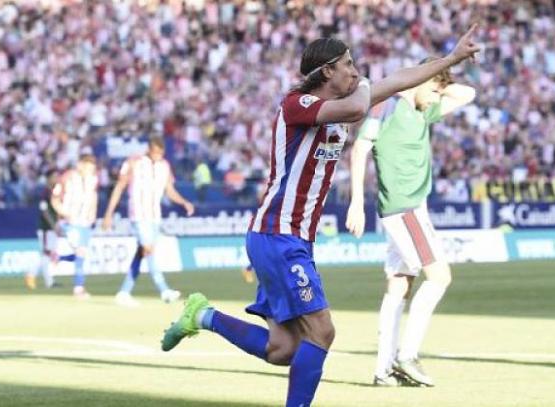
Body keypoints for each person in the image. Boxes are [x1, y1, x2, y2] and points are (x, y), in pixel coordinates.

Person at [160, 26, 479, 407]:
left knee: (282, 350)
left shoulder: (346, 99)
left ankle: (203, 316)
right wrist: (368, 87)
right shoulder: (298, 104)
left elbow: (396, 80)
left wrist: (451, 59)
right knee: (322, 331)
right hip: (277, 234)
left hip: (292, 239)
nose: (355, 71)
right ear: (327, 71)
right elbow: (360, 105)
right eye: (348, 64)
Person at [346, 57, 477, 387]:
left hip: (410, 209)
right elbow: (360, 150)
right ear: (420, 82)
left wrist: (437, 81)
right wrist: (356, 204)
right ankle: (407, 355)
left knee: (400, 285)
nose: (437, 99)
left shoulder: (423, 111)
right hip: (404, 209)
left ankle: (383, 369)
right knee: (439, 277)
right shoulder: (386, 107)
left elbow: (468, 94)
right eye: (434, 91)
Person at [102, 136, 195, 306]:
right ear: (149, 149)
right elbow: (119, 186)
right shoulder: (134, 162)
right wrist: (109, 213)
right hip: (138, 215)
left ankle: (124, 292)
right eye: (155, 152)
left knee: (142, 253)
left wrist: (183, 202)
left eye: (161, 153)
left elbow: (169, 190)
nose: (157, 156)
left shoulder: (164, 166)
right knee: (149, 250)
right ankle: (164, 290)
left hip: (155, 217)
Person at [51, 153, 99, 299]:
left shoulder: (93, 179)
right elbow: (55, 199)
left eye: (92, 169)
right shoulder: (67, 177)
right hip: (70, 222)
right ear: (80, 165)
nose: (89, 171)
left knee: (81, 254)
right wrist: (63, 212)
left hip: (85, 222)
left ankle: (59, 258)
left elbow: (94, 196)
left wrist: (93, 213)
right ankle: (78, 288)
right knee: (80, 251)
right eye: (87, 168)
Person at [25, 169, 61, 290]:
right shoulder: (45, 193)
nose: (57, 179)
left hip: (51, 228)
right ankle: (32, 275)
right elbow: (44, 211)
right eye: (55, 176)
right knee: (45, 254)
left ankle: (49, 281)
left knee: (47, 254)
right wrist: (53, 225)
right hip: (46, 228)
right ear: (49, 178)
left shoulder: (54, 192)